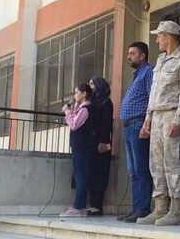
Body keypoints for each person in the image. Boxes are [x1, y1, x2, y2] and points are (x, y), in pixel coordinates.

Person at [137, 20, 180, 226]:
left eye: (159, 36)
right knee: (156, 163)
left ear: (168, 37)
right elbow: (154, 92)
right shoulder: (160, 60)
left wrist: (179, 120)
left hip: (171, 114)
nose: (157, 40)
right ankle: (160, 207)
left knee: (173, 162)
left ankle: (175, 209)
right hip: (157, 115)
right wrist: (148, 119)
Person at [118, 42, 154, 223]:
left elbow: (151, 98)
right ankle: (136, 208)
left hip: (138, 125)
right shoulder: (136, 75)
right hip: (129, 126)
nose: (128, 57)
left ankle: (143, 208)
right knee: (133, 171)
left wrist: (147, 123)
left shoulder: (148, 72)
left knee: (141, 168)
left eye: (132, 53)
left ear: (142, 55)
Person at [60, 84, 96, 217]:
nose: (75, 96)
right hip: (79, 148)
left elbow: (74, 125)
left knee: (81, 177)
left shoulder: (85, 110)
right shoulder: (80, 109)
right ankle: (80, 206)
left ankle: (78, 206)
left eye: (77, 93)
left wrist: (67, 112)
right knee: (80, 176)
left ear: (84, 94)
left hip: (82, 148)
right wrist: (72, 109)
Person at [87, 76, 113, 217]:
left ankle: (97, 206)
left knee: (99, 173)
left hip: (101, 142)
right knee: (91, 173)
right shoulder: (92, 102)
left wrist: (103, 142)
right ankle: (92, 204)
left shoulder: (106, 102)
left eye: (92, 84)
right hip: (91, 142)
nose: (90, 87)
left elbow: (106, 124)